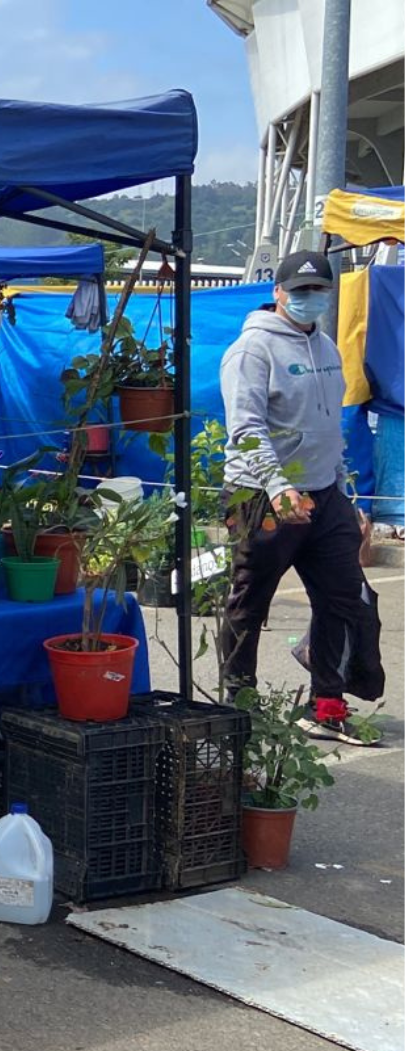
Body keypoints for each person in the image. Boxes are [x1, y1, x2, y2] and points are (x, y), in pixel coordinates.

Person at [219, 250, 384, 744]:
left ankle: (326, 704)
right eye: (299, 290)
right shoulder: (252, 350)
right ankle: (238, 706)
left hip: (324, 494)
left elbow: (329, 427)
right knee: (250, 604)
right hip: (261, 495)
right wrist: (278, 487)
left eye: (318, 291)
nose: (309, 299)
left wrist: (345, 492)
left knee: (343, 598)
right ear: (278, 292)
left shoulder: (329, 349)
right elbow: (245, 429)